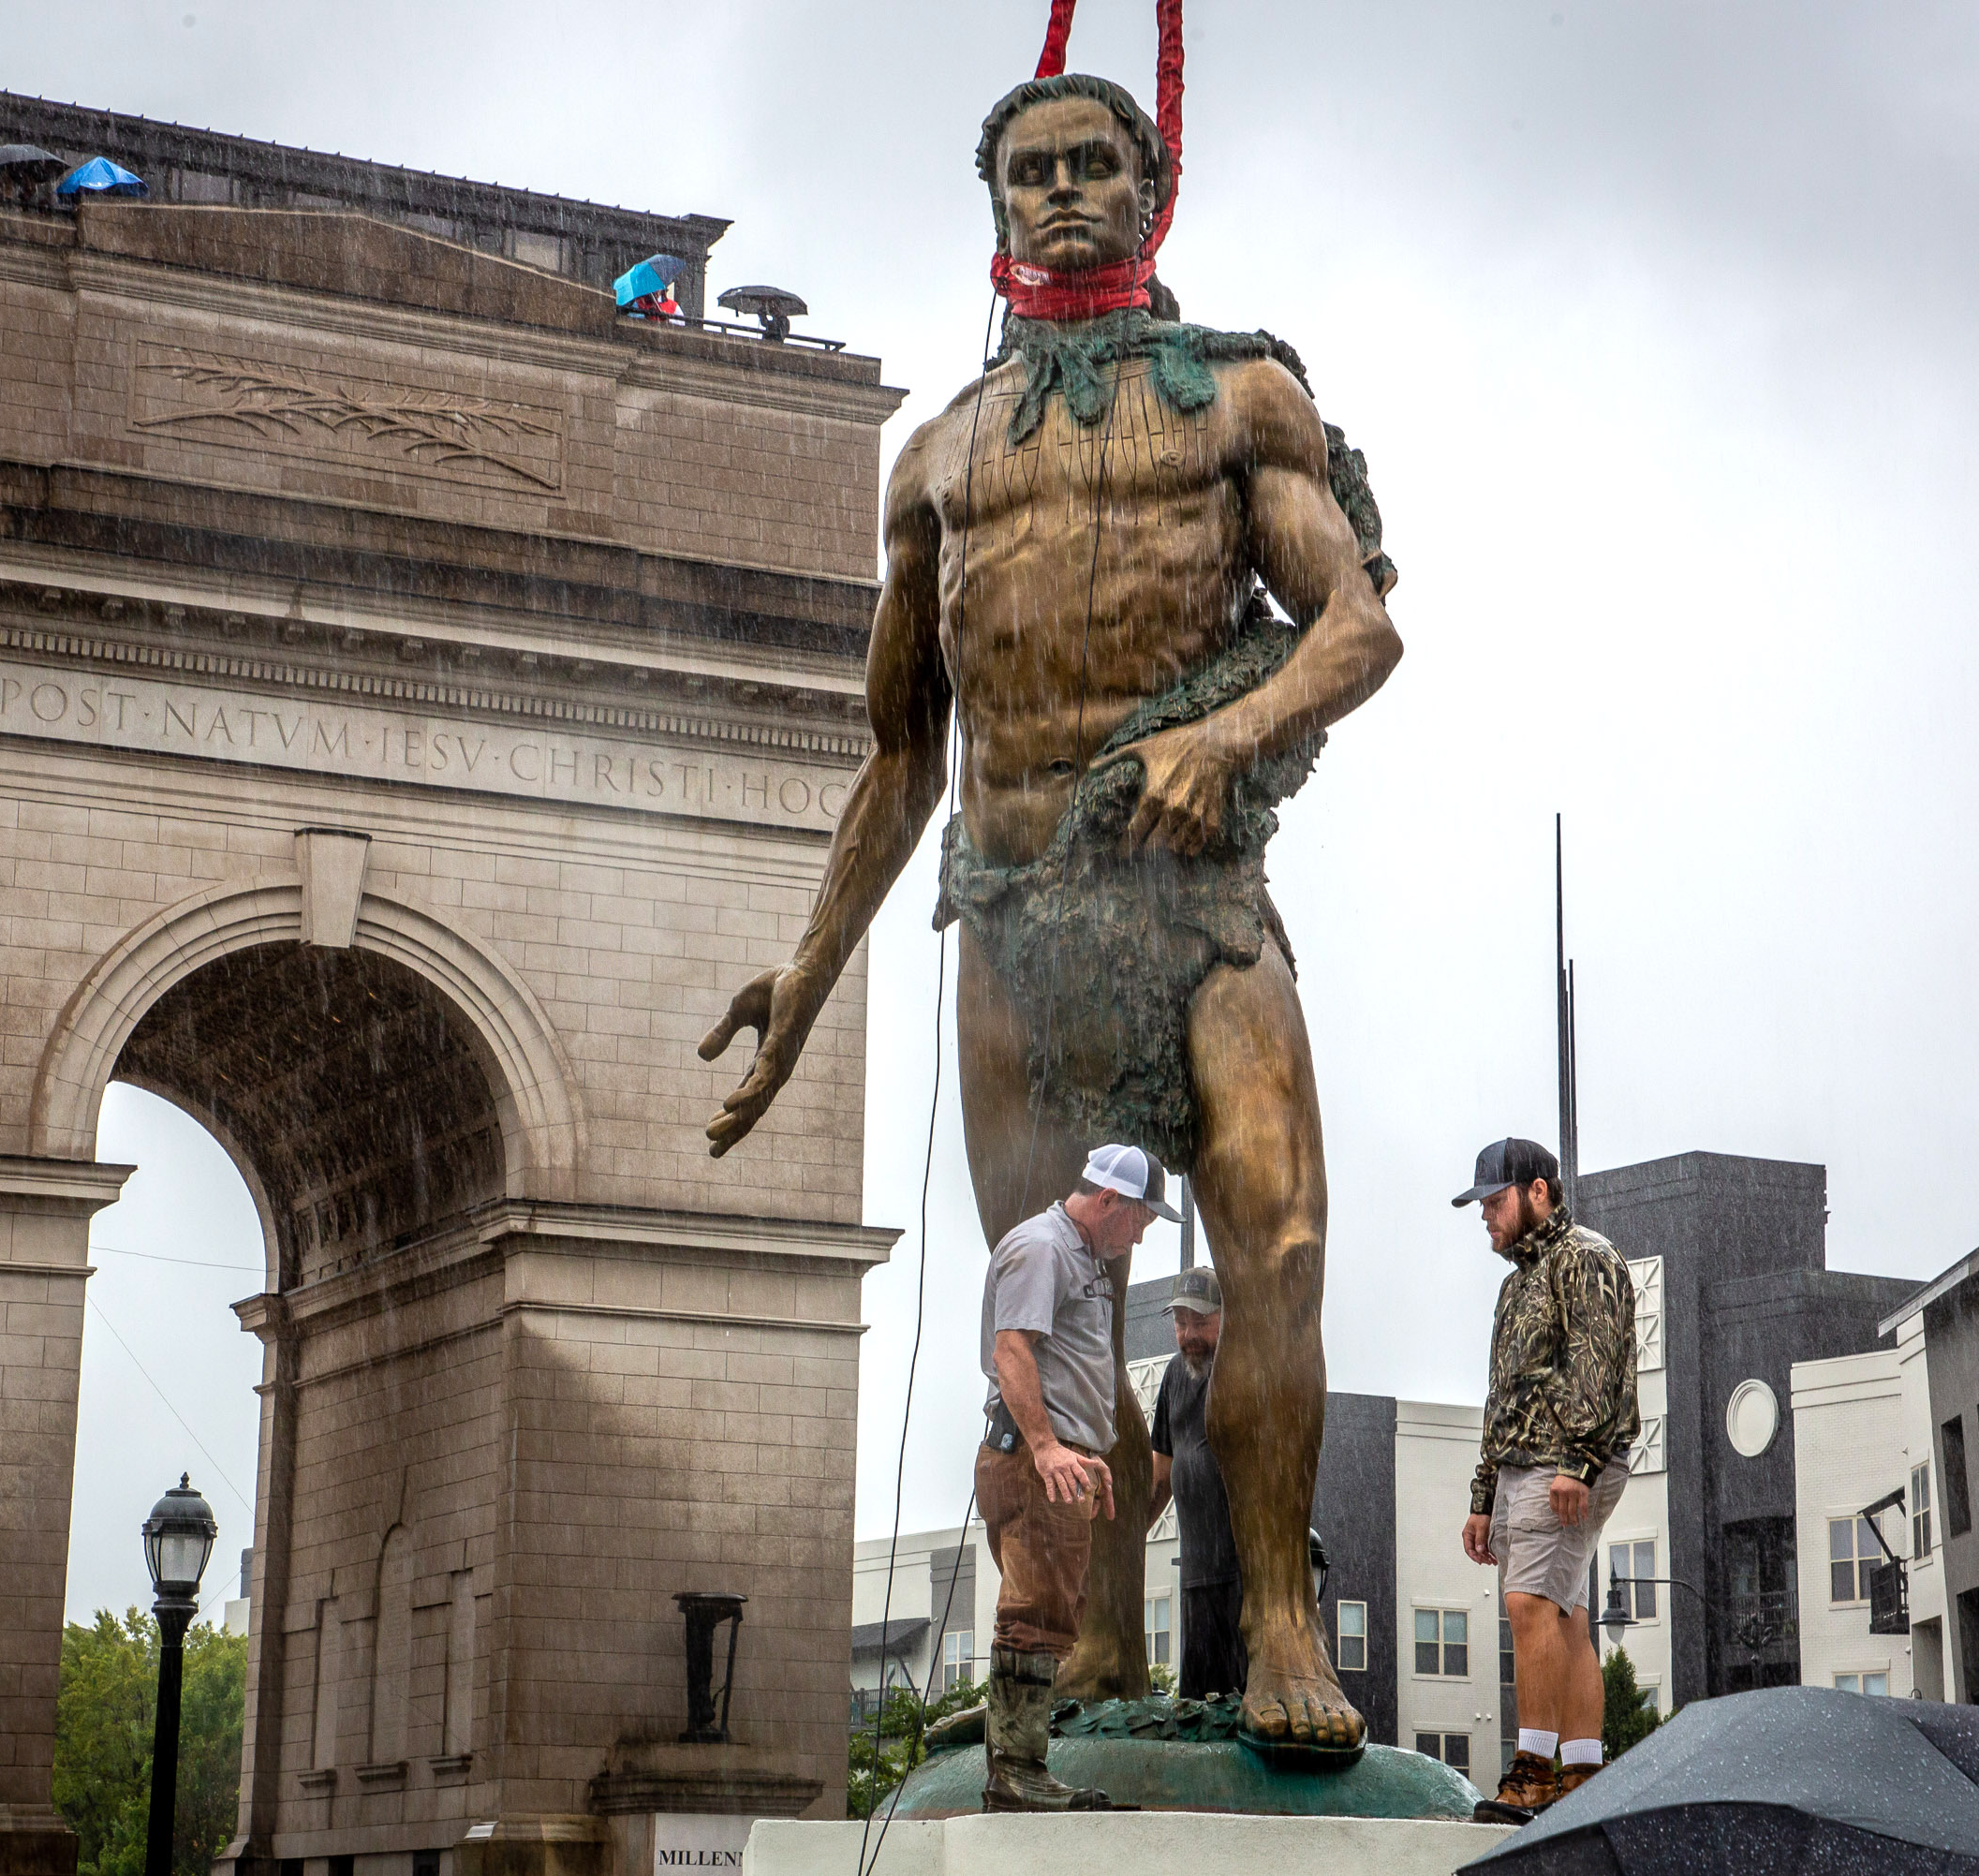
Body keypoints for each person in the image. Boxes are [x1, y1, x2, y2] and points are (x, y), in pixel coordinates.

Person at [700, 66, 1399, 1753]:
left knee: (1281, 1244)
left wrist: (1222, 734)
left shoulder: (1243, 400)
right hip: (1013, 916)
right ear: (996, 205)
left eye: (1095, 164)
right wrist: (803, 977)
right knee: (1049, 1307)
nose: (1063, 190)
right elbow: (898, 754)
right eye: (1032, 171)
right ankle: (1093, 1633)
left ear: (1149, 194)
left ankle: (1286, 1622)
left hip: (1197, 899)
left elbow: (1357, 625)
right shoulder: (935, 455)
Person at [975, 1143, 1176, 1810]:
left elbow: (1058, 1367)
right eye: (1142, 1218)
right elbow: (1012, 1349)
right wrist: (1044, 1446)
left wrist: (1076, 1450)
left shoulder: (1079, 1255)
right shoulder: (1044, 1248)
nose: (1142, 1235)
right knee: (1034, 1613)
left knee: (1053, 1610)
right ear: (1108, 1200)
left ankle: (1016, 1760)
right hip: (1032, 1465)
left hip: (1051, 1463)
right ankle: (1015, 1770)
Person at [1454, 1137, 1638, 1824]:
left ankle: (1533, 1777)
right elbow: (1502, 1394)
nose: (1485, 1217)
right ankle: (1584, 1778)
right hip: (1529, 1467)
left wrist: (1580, 1464)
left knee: (1529, 1606)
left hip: (1564, 1464)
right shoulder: (1516, 1284)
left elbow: (1597, 1364)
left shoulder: (1586, 1257)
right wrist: (1482, 1497)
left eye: (1494, 1202)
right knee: (1566, 1616)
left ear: (1538, 1190)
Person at [1145, 1265, 1244, 1699]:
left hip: (1246, 1575)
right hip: (1196, 1573)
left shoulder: (1244, 1370)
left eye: (1201, 1322)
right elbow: (1161, 1473)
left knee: (1246, 1702)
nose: (1189, 1335)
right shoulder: (1172, 1375)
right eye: (1181, 1323)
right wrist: (1132, 1536)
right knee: (1197, 1705)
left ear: (1227, 1316)